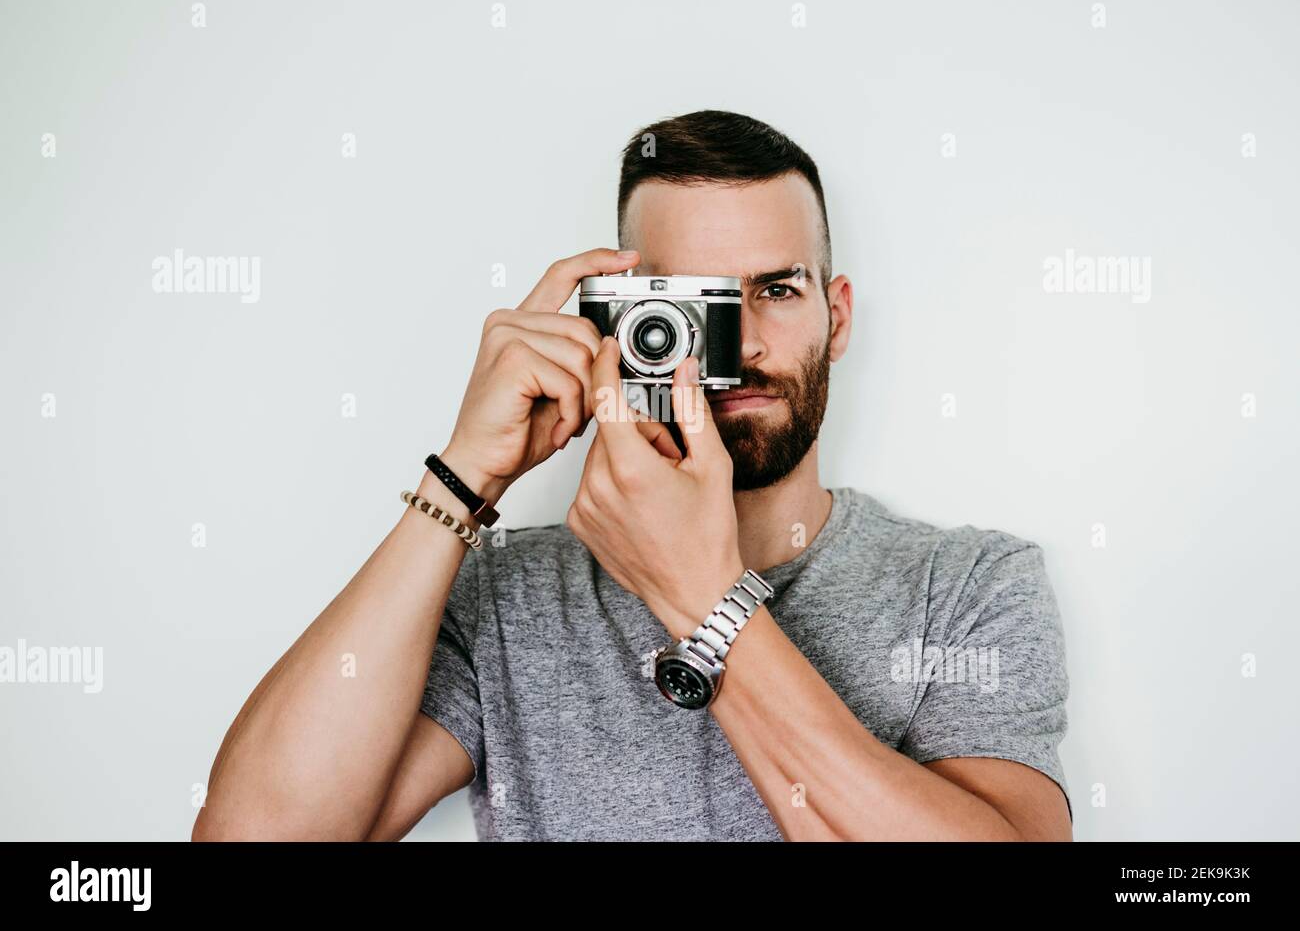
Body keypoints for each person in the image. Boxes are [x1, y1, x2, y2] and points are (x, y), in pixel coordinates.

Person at [193, 110, 1071, 841]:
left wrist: (700, 594)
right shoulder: (510, 597)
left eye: (775, 291)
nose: (741, 348)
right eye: (692, 308)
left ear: (836, 317)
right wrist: (464, 478)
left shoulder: (966, 586)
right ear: (617, 324)